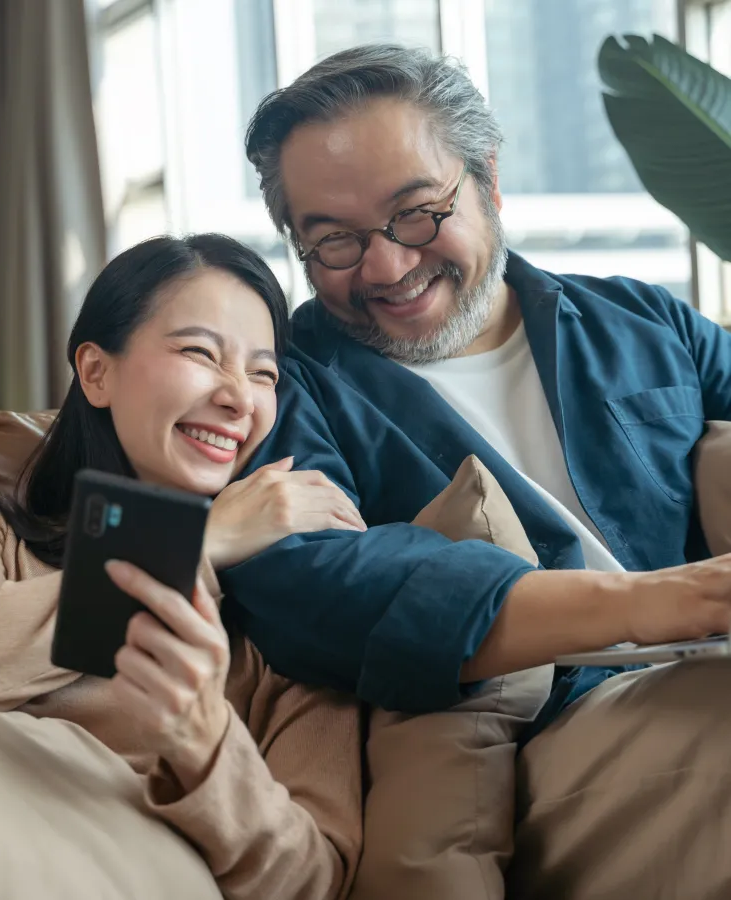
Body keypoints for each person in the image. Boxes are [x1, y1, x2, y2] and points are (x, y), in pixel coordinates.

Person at [219, 43, 731, 898]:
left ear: (486, 178)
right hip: (539, 745)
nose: (385, 267)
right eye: (333, 240)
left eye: (416, 213)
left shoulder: (636, 320)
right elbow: (309, 586)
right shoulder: (288, 388)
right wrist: (672, 602)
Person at [0, 234, 364, 900]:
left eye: (264, 373)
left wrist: (203, 742)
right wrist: (196, 541)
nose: (239, 397)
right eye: (200, 352)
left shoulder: (301, 602)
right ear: (96, 373)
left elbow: (312, 878)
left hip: (116, 856)